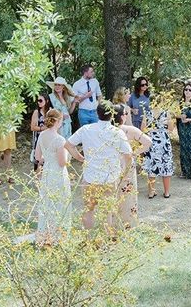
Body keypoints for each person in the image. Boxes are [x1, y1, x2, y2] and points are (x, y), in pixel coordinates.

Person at [64, 101, 132, 230]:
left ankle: (89, 239)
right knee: (107, 210)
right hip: (110, 176)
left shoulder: (86, 129)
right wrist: (124, 171)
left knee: (89, 209)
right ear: (112, 115)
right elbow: (128, 154)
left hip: (90, 176)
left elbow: (68, 145)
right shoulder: (117, 132)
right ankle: (105, 239)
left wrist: (79, 157)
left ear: (96, 113)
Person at [35, 109, 72, 245]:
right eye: (61, 120)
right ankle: (57, 235)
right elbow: (62, 163)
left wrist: (48, 158)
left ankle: (47, 233)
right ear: (57, 121)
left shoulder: (42, 135)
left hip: (47, 173)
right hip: (58, 173)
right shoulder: (60, 140)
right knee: (59, 201)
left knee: (48, 202)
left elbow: (38, 157)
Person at [114, 105, 152, 228]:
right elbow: (148, 142)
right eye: (126, 113)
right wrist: (134, 153)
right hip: (127, 163)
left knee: (115, 192)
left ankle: (114, 223)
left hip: (112, 164)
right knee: (128, 194)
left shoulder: (108, 130)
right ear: (122, 116)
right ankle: (128, 223)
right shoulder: (131, 130)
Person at [142, 104, 174, 198]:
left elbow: (142, 129)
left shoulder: (147, 113)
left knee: (152, 165)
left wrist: (152, 130)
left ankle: (151, 192)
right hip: (164, 143)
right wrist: (162, 131)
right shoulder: (166, 113)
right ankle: (167, 192)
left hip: (151, 143)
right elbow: (171, 129)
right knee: (166, 165)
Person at [30, 93, 52, 171]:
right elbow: (32, 127)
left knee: (48, 160)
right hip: (39, 139)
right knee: (38, 161)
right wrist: (44, 128)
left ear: (47, 101)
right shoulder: (36, 112)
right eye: (37, 100)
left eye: (40, 100)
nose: (38, 102)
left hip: (49, 139)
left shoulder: (51, 111)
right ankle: (38, 181)